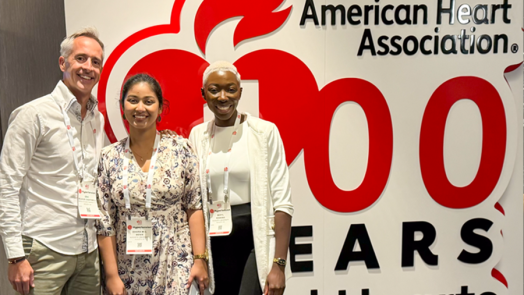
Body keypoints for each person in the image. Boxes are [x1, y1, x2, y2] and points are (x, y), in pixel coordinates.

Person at [0, 27, 105, 295]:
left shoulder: (97, 118)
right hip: (44, 251)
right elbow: (7, 186)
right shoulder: (33, 114)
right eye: (80, 58)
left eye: (96, 62)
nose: (88, 68)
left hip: (88, 251)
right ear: (63, 63)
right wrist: (15, 256)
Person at [96, 73, 209, 295]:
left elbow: (194, 207)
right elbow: (105, 221)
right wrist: (111, 275)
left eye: (149, 101)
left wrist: (199, 259)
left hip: (177, 258)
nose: (140, 108)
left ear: (159, 109)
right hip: (127, 265)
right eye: (133, 100)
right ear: (123, 107)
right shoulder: (109, 157)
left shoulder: (180, 149)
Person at [189, 61, 294, 295]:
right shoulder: (197, 136)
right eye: (214, 90)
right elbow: (194, 200)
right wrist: (199, 256)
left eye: (231, 89)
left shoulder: (264, 132)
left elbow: (282, 202)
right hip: (214, 242)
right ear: (203, 94)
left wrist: (279, 264)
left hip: (254, 240)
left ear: (240, 92)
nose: (223, 97)